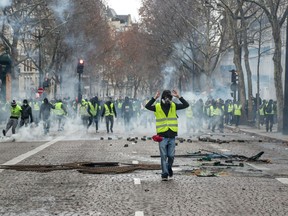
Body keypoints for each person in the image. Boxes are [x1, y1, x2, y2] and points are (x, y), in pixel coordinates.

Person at [145, 89, 189, 181]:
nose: (168, 99)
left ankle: (169, 167)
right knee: (163, 156)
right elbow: (147, 106)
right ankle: (164, 173)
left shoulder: (173, 106)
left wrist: (179, 97)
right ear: (163, 98)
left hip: (172, 135)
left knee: (171, 156)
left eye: (169, 97)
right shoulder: (157, 106)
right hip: (162, 136)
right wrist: (154, 98)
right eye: (166, 97)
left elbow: (186, 105)